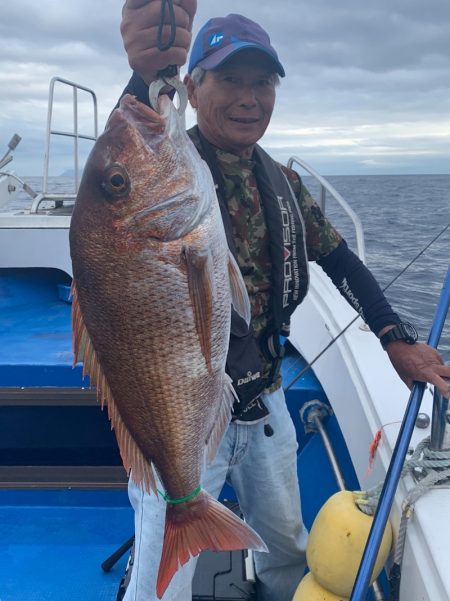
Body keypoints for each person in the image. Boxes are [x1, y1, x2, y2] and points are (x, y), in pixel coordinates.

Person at [117, 2, 450, 600]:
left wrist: (394, 337)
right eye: (229, 80)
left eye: (262, 83)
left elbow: (341, 262)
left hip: (264, 400)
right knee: (157, 585)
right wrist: (146, 76)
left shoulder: (283, 183)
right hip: (184, 418)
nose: (249, 98)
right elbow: (125, 165)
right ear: (191, 88)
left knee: (286, 551)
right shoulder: (167, 169)